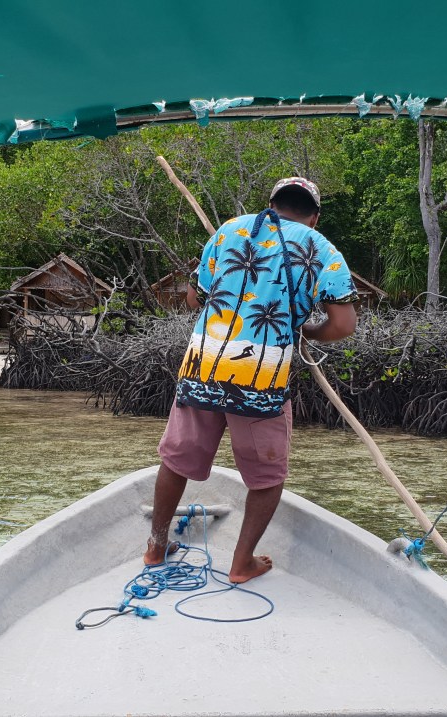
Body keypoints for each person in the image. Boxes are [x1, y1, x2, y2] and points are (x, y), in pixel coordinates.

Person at [144, 176, 358, 583]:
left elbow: (194, 298)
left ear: (272, 204)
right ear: (314, 216)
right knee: (267, 477)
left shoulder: (230, 230)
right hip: (261, 379)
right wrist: (307, 331)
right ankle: (241, 563)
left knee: (176, 460)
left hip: (204, 366)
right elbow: (343, 324)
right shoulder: (321, 248)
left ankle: (155, 547)